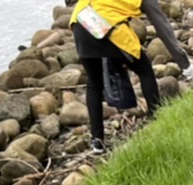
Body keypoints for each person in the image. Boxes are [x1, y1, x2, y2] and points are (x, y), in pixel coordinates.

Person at [69, 0, 163, 154]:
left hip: (80, 23)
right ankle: (157, 117)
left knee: (94, 83)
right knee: (145, 70)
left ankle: (97, 141)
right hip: (103, 25)